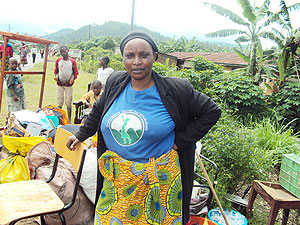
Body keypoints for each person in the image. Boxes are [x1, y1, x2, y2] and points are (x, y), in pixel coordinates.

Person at [66, 30, 221, 224]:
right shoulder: (115, 83)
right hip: (118, 179)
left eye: (144, 55)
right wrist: (81, 135)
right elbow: (98, 109)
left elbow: (212, 112)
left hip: (160, 180)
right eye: (130, 56)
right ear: (123, 58)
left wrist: (180, 141)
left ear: (155, 57)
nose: (136, 61)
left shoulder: (176, 90)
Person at [54, 45, 79, 123]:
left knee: (68, 103)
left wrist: (72, 79)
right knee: (59, 102)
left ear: (68, 51)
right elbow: (56, 71)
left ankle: (69, 119)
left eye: (64, 51)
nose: (63, 53)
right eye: (61, 52)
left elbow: (75, 73)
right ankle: (60, 119)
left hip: (69, 85)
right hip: (60, 84)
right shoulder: (58, 60)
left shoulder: (72, 61)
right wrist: (56, 77)